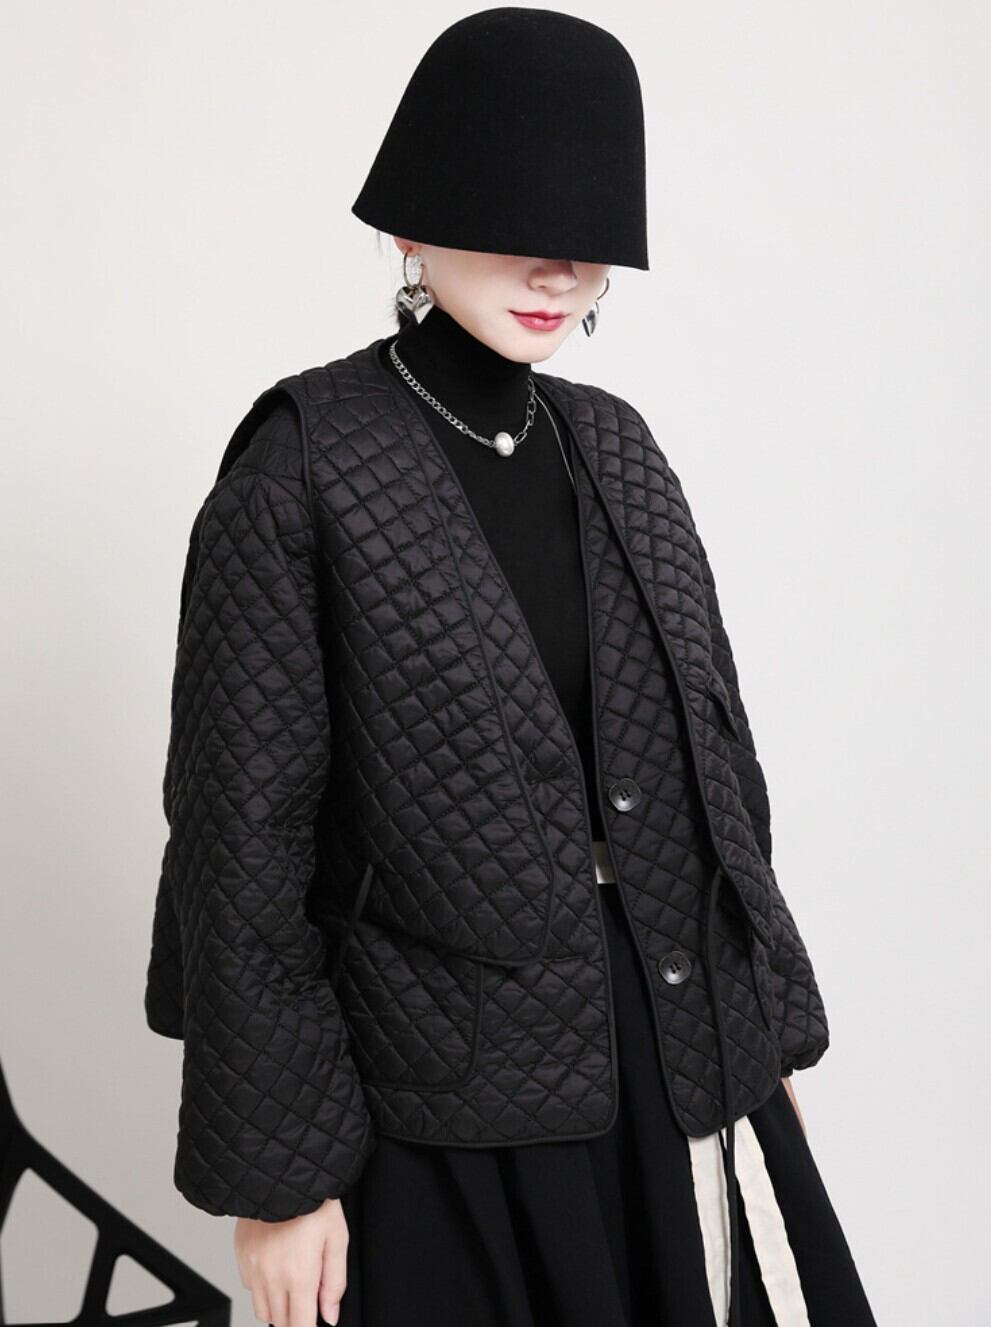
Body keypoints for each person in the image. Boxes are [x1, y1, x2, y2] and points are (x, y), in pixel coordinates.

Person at [144, 9, 878, 1327]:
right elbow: (236, 849)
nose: (559, 268)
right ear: (410, 228)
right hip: (442, 1098)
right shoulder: (300, 468)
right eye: (511, 222)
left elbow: (721, 780)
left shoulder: (620, 451)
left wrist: (758, 1042)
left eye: (590, 237)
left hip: (679, 1060)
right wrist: (280, 1182)